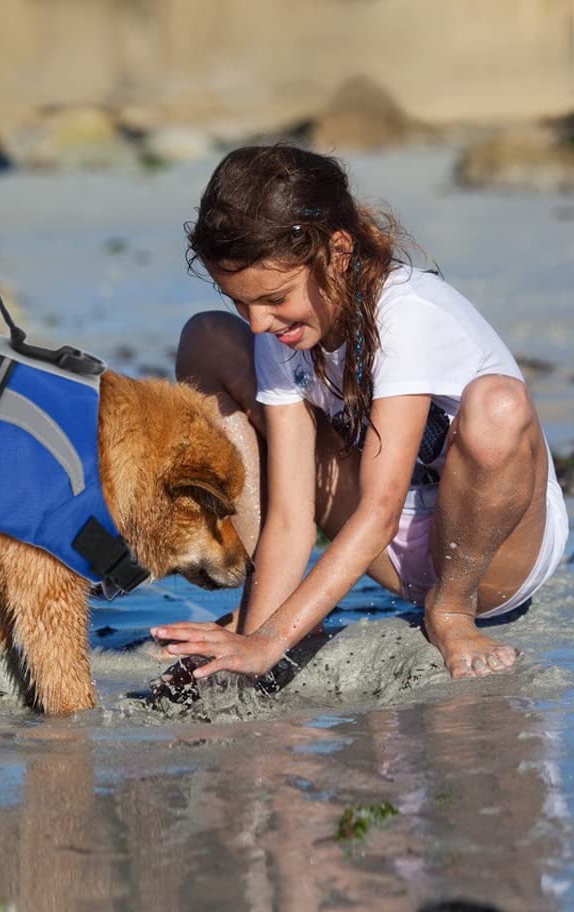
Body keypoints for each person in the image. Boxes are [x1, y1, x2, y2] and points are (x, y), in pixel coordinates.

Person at [152, 144, 568, 681]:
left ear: (339, 252)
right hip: (391, 554)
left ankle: (450, 611)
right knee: (206, 338)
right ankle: (279, 605)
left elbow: (380, 511)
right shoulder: (281, 328)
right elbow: (291, 514)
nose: (258, 324)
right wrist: (260, 638)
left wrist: (269, 643)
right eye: (241, 301)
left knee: (499, 406)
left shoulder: (406, 313)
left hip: (492, 558)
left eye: (274, 298)